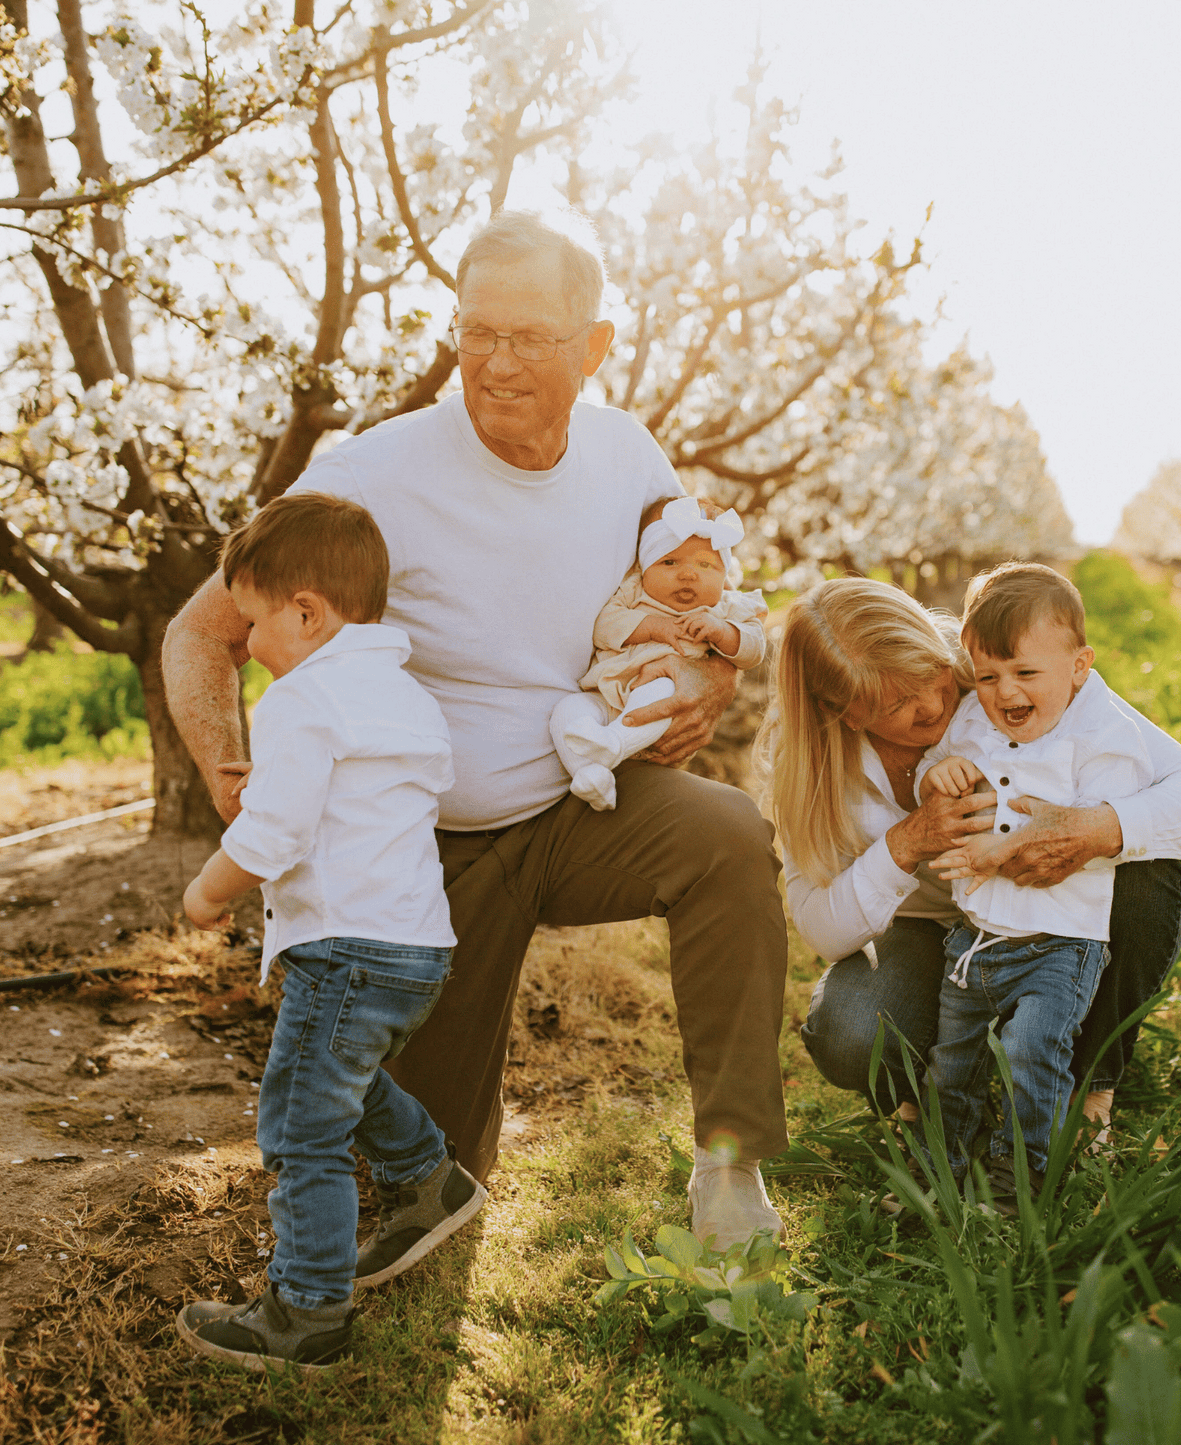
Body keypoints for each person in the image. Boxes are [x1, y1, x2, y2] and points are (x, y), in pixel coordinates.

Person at [163, 209, 788, 1253]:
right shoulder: (376, 472)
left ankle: (729, 1163)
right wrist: (233, 777)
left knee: (726, 837)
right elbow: (199, 628)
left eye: (527, 337)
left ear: (592, 347)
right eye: (473, 333)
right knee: (439, 1179)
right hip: (426, 857)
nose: (493, 364)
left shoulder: (629, 450)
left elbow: (698, 579)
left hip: (581, 799)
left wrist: (714, 669)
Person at [755, 575, 1181, 1146]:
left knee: (1145, 861)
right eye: (896, 704)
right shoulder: (809, 764)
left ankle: (1091, 1081)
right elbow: (819, 929)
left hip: (1053, 920)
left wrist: (1095, 828)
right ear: (843, 712)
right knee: (851, 1035)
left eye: (931, 678)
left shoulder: (1005, 670)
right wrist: (905, 844)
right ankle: (949, 1078)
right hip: (931, 933)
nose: (933, 704)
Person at [174, 494, 481, 1372]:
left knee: (302, 1124)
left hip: (343, 950)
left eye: (253, 622)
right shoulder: (406, 697)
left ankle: (308, 1310)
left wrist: (207, 890)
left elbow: (275, 838)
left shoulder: (301, 697)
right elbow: (368, 793)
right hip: (416, 950)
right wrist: (276, 773)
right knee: (341, 1075)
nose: (246, 645)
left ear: (306, 613)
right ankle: (427, 1182)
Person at [914, 563, 1156, 1206]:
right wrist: (938, 774)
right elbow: (935, 766)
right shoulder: (972, 719)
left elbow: (1087, 826)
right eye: (988, 676)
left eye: (1026, 673)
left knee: (1031, 1050)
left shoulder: (1105, 738)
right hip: (975, 940)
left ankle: (1019, 1171)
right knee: (952, 1061)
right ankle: (942, 1162)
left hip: (1060, 942)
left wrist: (1002, 850)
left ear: (1079, 667)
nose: (1004, 692)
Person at [551, 494, 767, 811]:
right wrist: (651, 626)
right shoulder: (632, 591)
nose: (688, 574)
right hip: (606, 695)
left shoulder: (725, 607)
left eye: (706, 564)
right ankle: (588, 772)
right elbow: (604, 627)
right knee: (568, 710)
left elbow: (754, 648)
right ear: (644, 567)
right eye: (669, 562)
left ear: (725, 575)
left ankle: (615, 744)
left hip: (659, 706)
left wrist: (722, 631)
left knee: (662, 689)